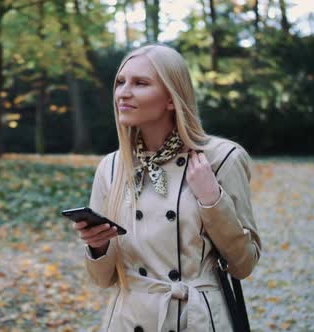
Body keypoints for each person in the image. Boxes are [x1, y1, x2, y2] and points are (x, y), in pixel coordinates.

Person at [73, 44, 262, 332]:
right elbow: (102, 279)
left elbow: (243, 265)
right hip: (128, 321)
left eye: (141, 83)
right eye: (121, 82)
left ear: (172, 98)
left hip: (196, 320)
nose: (123, 92)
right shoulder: (111, 167)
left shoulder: (222, 158)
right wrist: (97, 247)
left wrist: (212, 201)